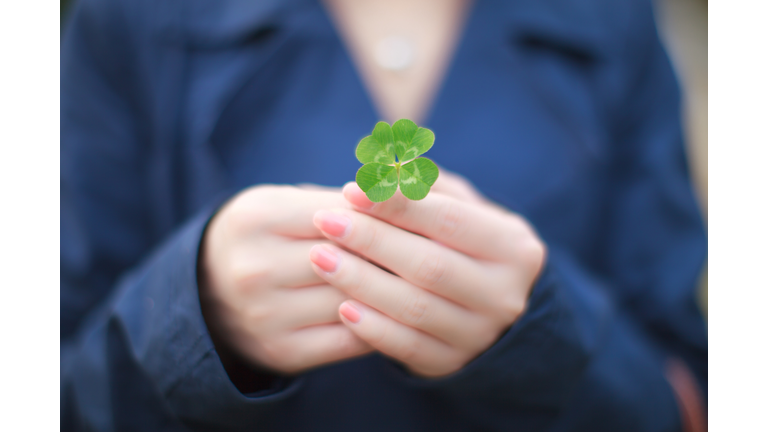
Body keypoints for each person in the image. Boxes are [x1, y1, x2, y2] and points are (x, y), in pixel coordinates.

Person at [60, 0, 708, 430]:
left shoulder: (611, 18)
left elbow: (689, 392)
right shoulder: (130, 18)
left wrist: (546, 333)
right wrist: (191, 317)